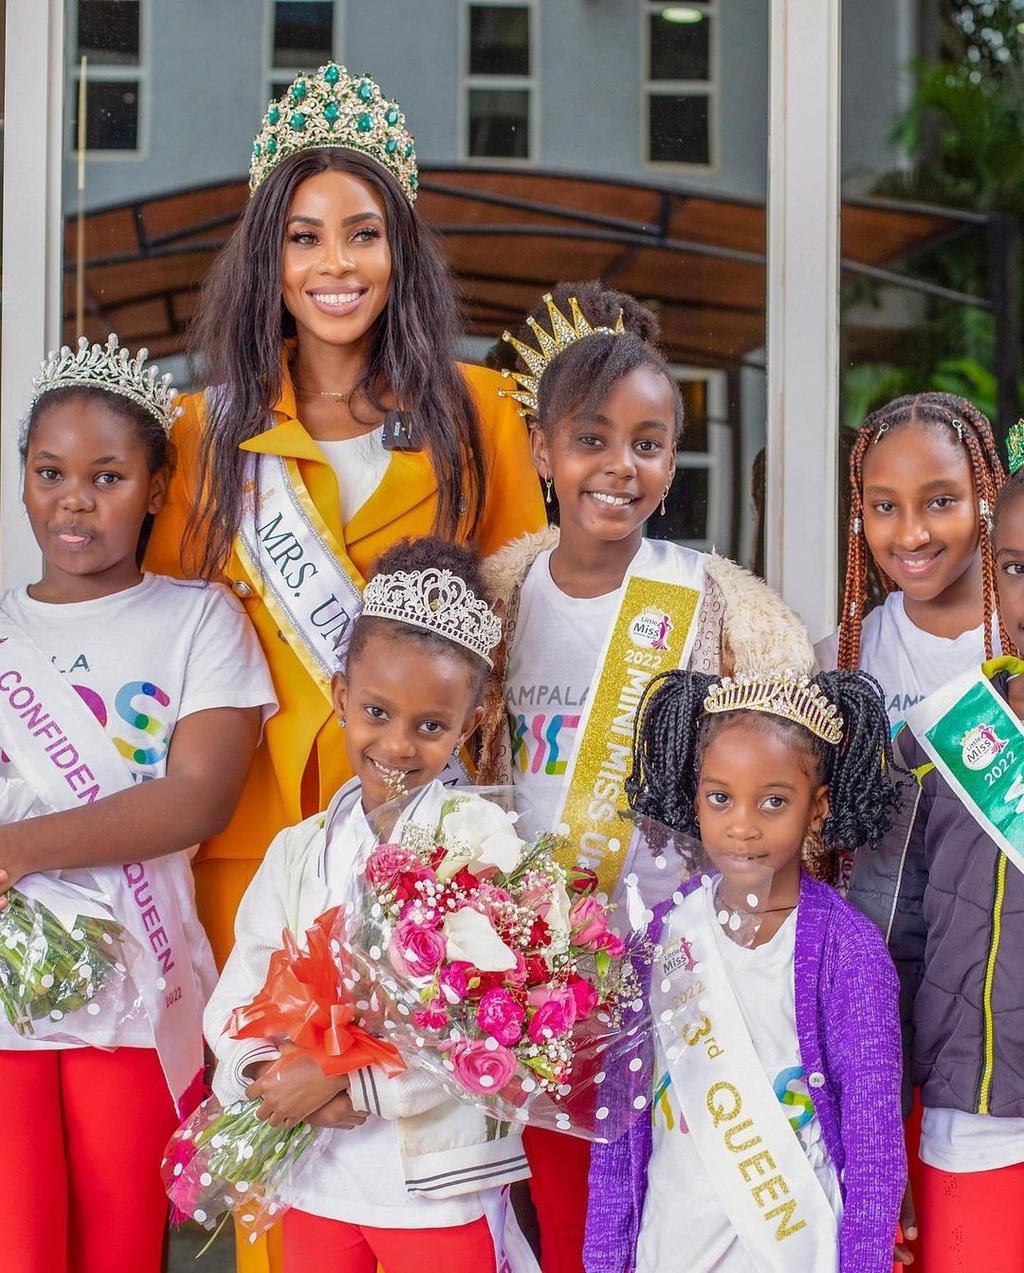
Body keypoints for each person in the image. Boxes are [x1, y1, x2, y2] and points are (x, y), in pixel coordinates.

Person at [144, 61, 545, 976]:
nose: (335, 264)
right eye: (305, 238)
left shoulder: (482, 415)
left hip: (433, 844)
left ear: (399, 251)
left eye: (364, 234)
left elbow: (518, 634)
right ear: (271, 259)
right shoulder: (202, 432)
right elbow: (163, 644)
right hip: (250, 845)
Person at [475, 281, 815, 1273]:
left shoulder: (715, 603)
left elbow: (788, 770)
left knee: (677, 1208)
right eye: (592, 439)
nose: (620, 466)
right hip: (537, 976)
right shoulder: (498, 596)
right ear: (543, 450)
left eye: (649, 443)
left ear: (673, 456)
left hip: (681, 970)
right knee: (565, 1211)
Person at [0, 336, 275, 1273]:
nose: (75, 499)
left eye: (107, 476)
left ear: (156, 488)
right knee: (19, 1245)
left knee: (117, 1246)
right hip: (6, 995)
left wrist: (16, 848)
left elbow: (196, 798)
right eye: (50, 472)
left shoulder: (199, 619)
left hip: (137, 985)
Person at [205, 537, 527, 1273]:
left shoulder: (484, 845)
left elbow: (493, 1016)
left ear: (471, 722)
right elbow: (243, 983)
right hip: (316, 1170)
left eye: (431, 725)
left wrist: (345, 1080)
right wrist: (263, 1074)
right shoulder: (298, 848)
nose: (398, 745)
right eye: (377, 711)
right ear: (341, 696)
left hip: (437, 1186)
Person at [586, 668, 907, 1273]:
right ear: (695, 797)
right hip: (670, 1248)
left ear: (818, 809)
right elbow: (619, 1129)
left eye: (774, 802)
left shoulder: (848, 952)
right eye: (720, 798)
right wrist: (604, 1257)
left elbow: (875, 1147)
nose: (742, 824)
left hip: (795, 1247)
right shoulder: (660, 935)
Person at [848, 425, 1024, 1273]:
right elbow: (890, 944)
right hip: (975, 1116)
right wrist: (877, 1142)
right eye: (1018, 566)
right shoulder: (945, 736)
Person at [820, 392, 1006, 732]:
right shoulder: (835, 664)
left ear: (986, 498)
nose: (911, 537)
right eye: (886, 507)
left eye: (940, 502)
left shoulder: (1015, 637)